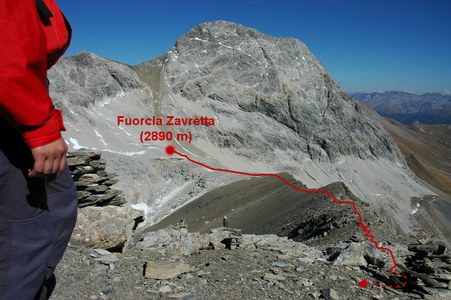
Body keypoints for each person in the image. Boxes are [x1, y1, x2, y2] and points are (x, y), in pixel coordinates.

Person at [0, 0, 78, 299]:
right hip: (15, 112)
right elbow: (6, 50)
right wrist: (39, 127)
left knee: (59, 202)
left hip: (21, 104)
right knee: (23, 238)